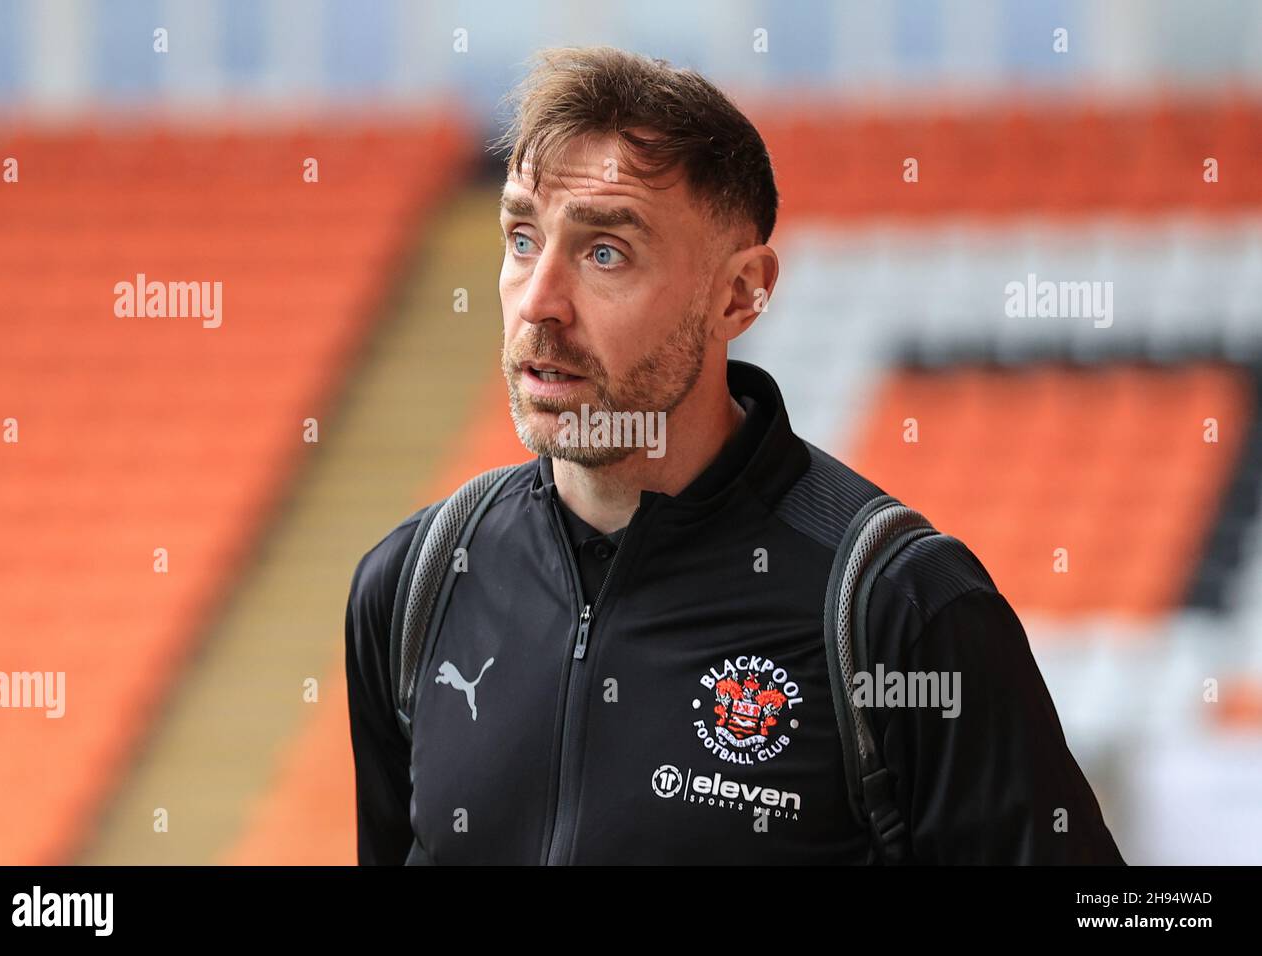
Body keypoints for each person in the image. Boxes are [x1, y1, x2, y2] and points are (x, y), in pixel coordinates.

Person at [344, 45, 1125, 865]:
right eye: (523, 238)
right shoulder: (413, 587)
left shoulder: (899, 607)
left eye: (605, 252)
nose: (539, 303)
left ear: (739, 293)